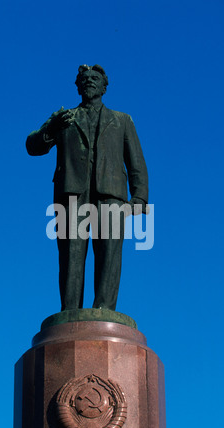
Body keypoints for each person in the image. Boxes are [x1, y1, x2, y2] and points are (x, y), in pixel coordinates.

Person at [26, 64, 148, 311]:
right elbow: (32, 146)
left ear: (105, 86)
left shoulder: (122, 120)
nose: (89, 81)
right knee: (71, 256)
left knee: (109, 255)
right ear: (77, 86)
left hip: (111, 195)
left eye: (95, 78)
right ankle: (70, 312)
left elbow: (136, 162)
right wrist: (51, 127)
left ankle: (104, 311)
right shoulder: (64, 119)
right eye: (84, 78)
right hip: (72, 193)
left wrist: (140, 198)